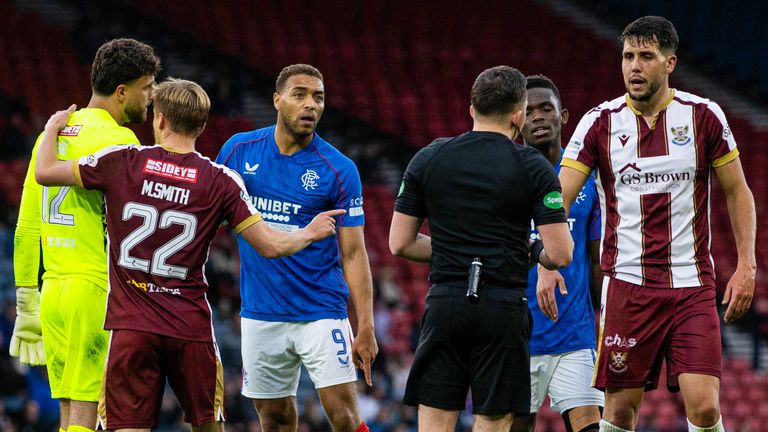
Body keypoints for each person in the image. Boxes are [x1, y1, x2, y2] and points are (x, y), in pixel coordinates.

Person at [33, 78, 345, 431]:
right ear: (201, 124)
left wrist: (50, 130)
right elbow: (271, 246)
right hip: (190, 329)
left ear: (161, 119)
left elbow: (45, 173)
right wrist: (309, 232)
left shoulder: (123, 161)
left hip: (130, 326)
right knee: (207, 426)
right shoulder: (220, 180)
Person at [558, 16, 756, 432]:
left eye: (646, 57)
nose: (634, 66)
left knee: (703, 407)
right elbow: (559, 194)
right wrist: (542, 243)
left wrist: (746, 264)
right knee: (619, 411)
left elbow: (738, 191)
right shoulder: (600, 122)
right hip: (628, 284)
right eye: (628, 56)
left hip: (691, 283)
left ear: (669, 64)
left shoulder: (703, 116)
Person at [389, 66, 574, 432]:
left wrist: (456, 250)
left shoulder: (429, 157)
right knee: (492, 423)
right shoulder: (533, 166)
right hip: (502, 309)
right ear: (518, 115)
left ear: (472, 109)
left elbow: (400, 242)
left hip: (446, 302)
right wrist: (529, 247)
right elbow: (561, 254)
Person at [215, 64, 378, 432]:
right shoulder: (238, 151)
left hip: (320, 311)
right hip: (260, 313)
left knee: (345, 418)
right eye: (300, 95)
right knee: (273, 419)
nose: (310, 105)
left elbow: (353, 253)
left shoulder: (339, 169)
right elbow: (211, 215)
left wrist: (365, 325)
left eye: (318, 98)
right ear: (277, 100)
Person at [10, 38, 160, 432]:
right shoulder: (120, 141)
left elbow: (27, 228)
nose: (152, 96)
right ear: (122, 91)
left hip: (53, 293)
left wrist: (26, 301)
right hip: (93, 290)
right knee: (87, 415)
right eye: (147, 87)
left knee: (68, 417)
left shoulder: (50, 135)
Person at [510, 75, 605, 432]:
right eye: (528, 110)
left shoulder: (585, 178)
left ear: (563, 116)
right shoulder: (505, 176)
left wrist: (606, 325)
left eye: (545, 108)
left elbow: (596, 260)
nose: (537, 117)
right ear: (517, 119)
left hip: (575, 335)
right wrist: (541, 258)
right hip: (518, 336)